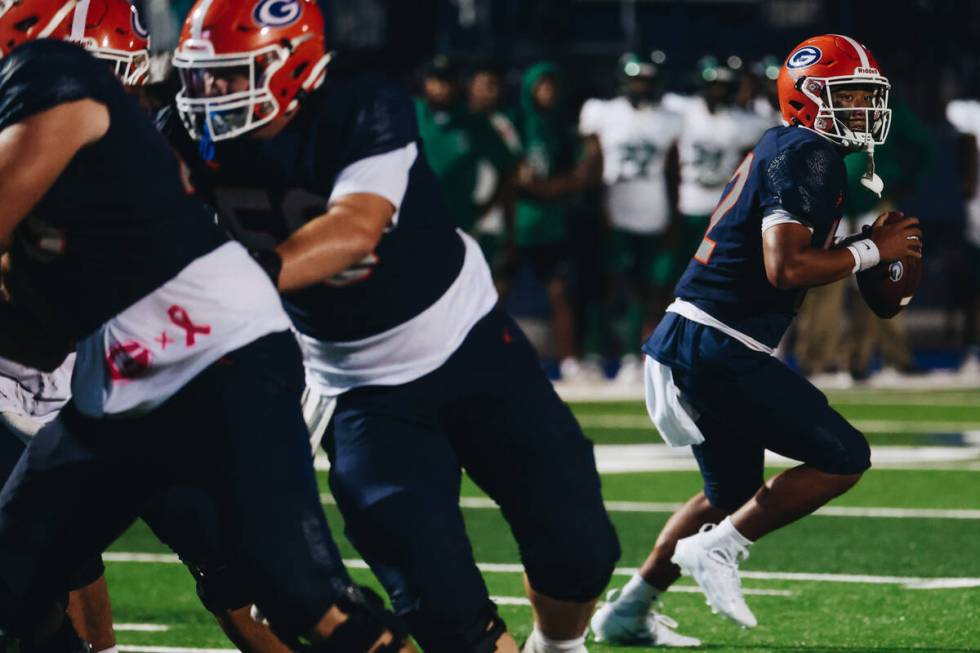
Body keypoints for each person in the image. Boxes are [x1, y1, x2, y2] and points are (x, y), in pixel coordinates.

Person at [166, 1, 620, 652]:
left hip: (468, 344)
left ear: (295, 69)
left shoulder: (361, 103)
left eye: (236, 74)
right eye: (201, 76)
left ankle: (558, 646)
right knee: (437, 606)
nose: (212, 94)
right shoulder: (176, 138)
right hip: (357, 385)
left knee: (578, 547)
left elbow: (355, 228)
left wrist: (231, 282)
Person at [0, 5, 411, 653]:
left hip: (206, 370)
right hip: (113, 379)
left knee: (294, 591)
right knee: (19, 580)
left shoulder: (63, 106)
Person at [591, 34, 922, 646]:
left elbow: (791, 261)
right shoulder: (809, 154)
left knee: (732, 495)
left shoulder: (796, 148)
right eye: (845, 95)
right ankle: (718, 552)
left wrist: (864, 249)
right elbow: (786, 268)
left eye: (863, 96)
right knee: (843, 457)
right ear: (805, 99)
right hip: (714, 343)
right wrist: (875, 250)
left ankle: (628, 610)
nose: (860, 109)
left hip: (700, 337)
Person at [578, 53, 683, 385]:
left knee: (644, 289)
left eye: (647, 80)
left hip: (653, 211)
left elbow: (672, 170)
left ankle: (630, 355)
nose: (642, 86)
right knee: (606, 287)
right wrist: (598, 207)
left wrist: (673, 214)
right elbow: (591, 165)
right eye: (637, 79)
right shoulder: (603, 113)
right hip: (614, 210)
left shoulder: (669, 118)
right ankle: (593, 354)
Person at [511, 61, 600, 383]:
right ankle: (490, 358)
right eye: (541, 86)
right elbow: (516, 178)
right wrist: (552, 187)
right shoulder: (516, 123)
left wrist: (548, 188)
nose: (547, 93)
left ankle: (569, 361)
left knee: (560, 293)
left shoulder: (562, 128)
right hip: (515, 224)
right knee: (495, 293)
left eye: (552, 86)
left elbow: (581, 176)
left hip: (552, 225)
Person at [664, 57, 771, 291]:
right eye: (714, 85)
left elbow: (770, 124)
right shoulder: (683, 111)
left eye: (724, 87)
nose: (718, 92)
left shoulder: (744, 122)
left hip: (719, 206)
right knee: (675, 269)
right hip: (686, 202)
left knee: (707, 265)